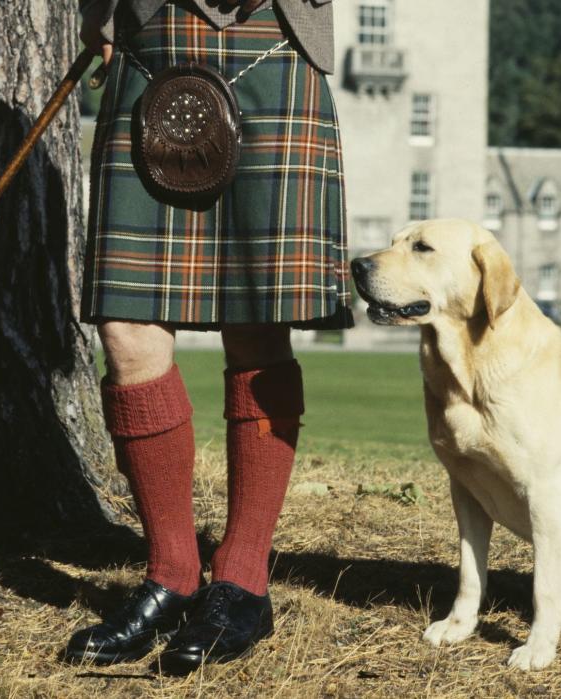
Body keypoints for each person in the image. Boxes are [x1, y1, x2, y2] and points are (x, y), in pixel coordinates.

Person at [64, 0, 350, 675]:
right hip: (151, 40)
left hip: (272, 38)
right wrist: (100, 19)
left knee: (257, 320)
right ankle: (172, 574)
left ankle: (244, 580)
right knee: (127, 328)